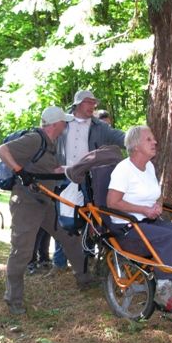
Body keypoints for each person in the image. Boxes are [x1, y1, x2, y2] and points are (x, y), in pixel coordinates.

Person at [0, 106, 101, 315]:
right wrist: (20, 171)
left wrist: (64, 170)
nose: (67, 125)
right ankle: (13, 299)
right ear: (55, 124)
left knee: (70, 236)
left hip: (45, 202)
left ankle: (85, 278)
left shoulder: (50, 144)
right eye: (64, 122)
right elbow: (2, 150)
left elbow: (44, 170)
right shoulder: (35, 139)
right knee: (22, 250)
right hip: (27, 204)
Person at [106, 126, 172, 312]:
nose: (155, 142)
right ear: (135, 146)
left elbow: (157, 194)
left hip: (148, 222)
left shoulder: (149, 166)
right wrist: (142, 209)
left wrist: (157, 204)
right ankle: (163, 291)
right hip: (128, 227)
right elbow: (112, 202)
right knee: (168, 238)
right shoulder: (123, 169)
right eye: (149, 139)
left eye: (153, 139)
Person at [53, 90, 125, 269]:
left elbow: (121, 137)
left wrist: (139, 140)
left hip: (89, 179)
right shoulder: (63, 124)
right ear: (77, 104)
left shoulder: (100, 127)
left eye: (94, 103)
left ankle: (86, 261)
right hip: (64, 177)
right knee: (63, 219)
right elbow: (48, 141)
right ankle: (59, 263)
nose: (92, 106)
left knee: (91, 220)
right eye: (88, 102)